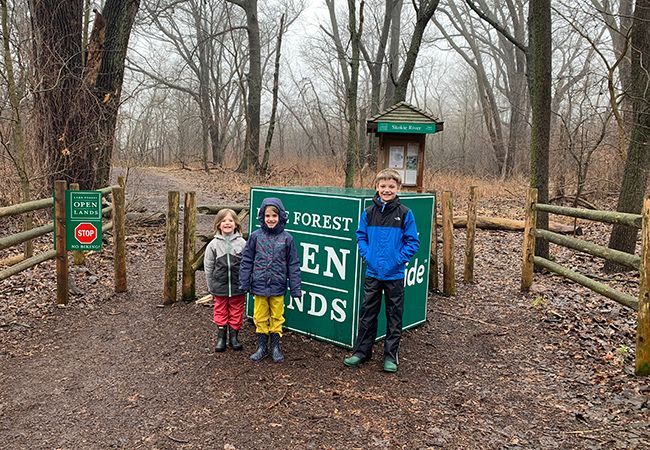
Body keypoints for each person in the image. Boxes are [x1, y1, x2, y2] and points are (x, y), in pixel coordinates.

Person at [344, 169, 420, 373]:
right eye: (383, 186)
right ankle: (361, 352)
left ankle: (390, 356)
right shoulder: (369, 212)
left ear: (398, 188)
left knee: (394, 316)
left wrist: (398, 260)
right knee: (368, 313)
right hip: (373, 273)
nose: (387, 190)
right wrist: (368, 256)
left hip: (395, 275)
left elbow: (413, 242)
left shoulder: (405, 213)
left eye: (391, 186)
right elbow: (361, 236)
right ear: (377, 188)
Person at [239, 198, 302, 363]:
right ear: (262, 217)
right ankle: (261, 347)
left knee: (276, 316)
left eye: (274, 215)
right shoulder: (255, 237)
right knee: (259, 316)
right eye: (267, 215)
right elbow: (247, 260)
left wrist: (295, 288)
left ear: (281, 216)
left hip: (278, 286)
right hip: (259, 285)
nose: (271, 219)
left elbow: (293, 264)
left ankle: (275, 346)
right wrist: (244, 282)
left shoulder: (287, 239)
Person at [204, 208, 247, 352]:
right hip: (220, 286)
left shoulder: (242, 243)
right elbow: (209, 266)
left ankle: (234, 337)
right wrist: (211, 286)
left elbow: (247, 264)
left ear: (236, 224)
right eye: (223, 221)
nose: (227, 223)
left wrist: (246, 283)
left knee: (236, 310)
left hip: (237, 286)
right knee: (220, 310)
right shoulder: (213, 245)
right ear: (218, 224)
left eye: (230, 220)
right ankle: (221, 337)